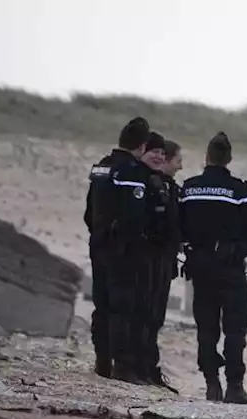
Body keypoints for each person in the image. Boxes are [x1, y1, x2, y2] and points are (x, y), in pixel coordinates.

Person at [179, 131, 247, 404]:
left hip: (200, 266)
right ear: (229, 158)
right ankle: (235, 387)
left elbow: (178, 225)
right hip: (229, 267)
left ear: (207, 157)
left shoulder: (189, 188)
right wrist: (240, 249)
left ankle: (211, 383)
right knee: (235, 328)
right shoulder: (239, 190)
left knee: (206, 327)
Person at [83, 116, 151, 381]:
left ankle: (102, 361)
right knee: (122, 306)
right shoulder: (132, 172)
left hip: (98, 242)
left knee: (101, 304)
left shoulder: (101, 167)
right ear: (142, 146)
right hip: (122, 248)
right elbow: (134, 216)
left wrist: (98, 232)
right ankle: (121, 365)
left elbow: (90, 210)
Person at [138, 137, 184, 392]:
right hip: (150, 258)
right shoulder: (152, 185)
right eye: (177, 161)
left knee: (155, 316)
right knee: (146, 313)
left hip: (164, 259)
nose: (180, 166)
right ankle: (140, 368)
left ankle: (148, 368)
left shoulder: (169, 187)